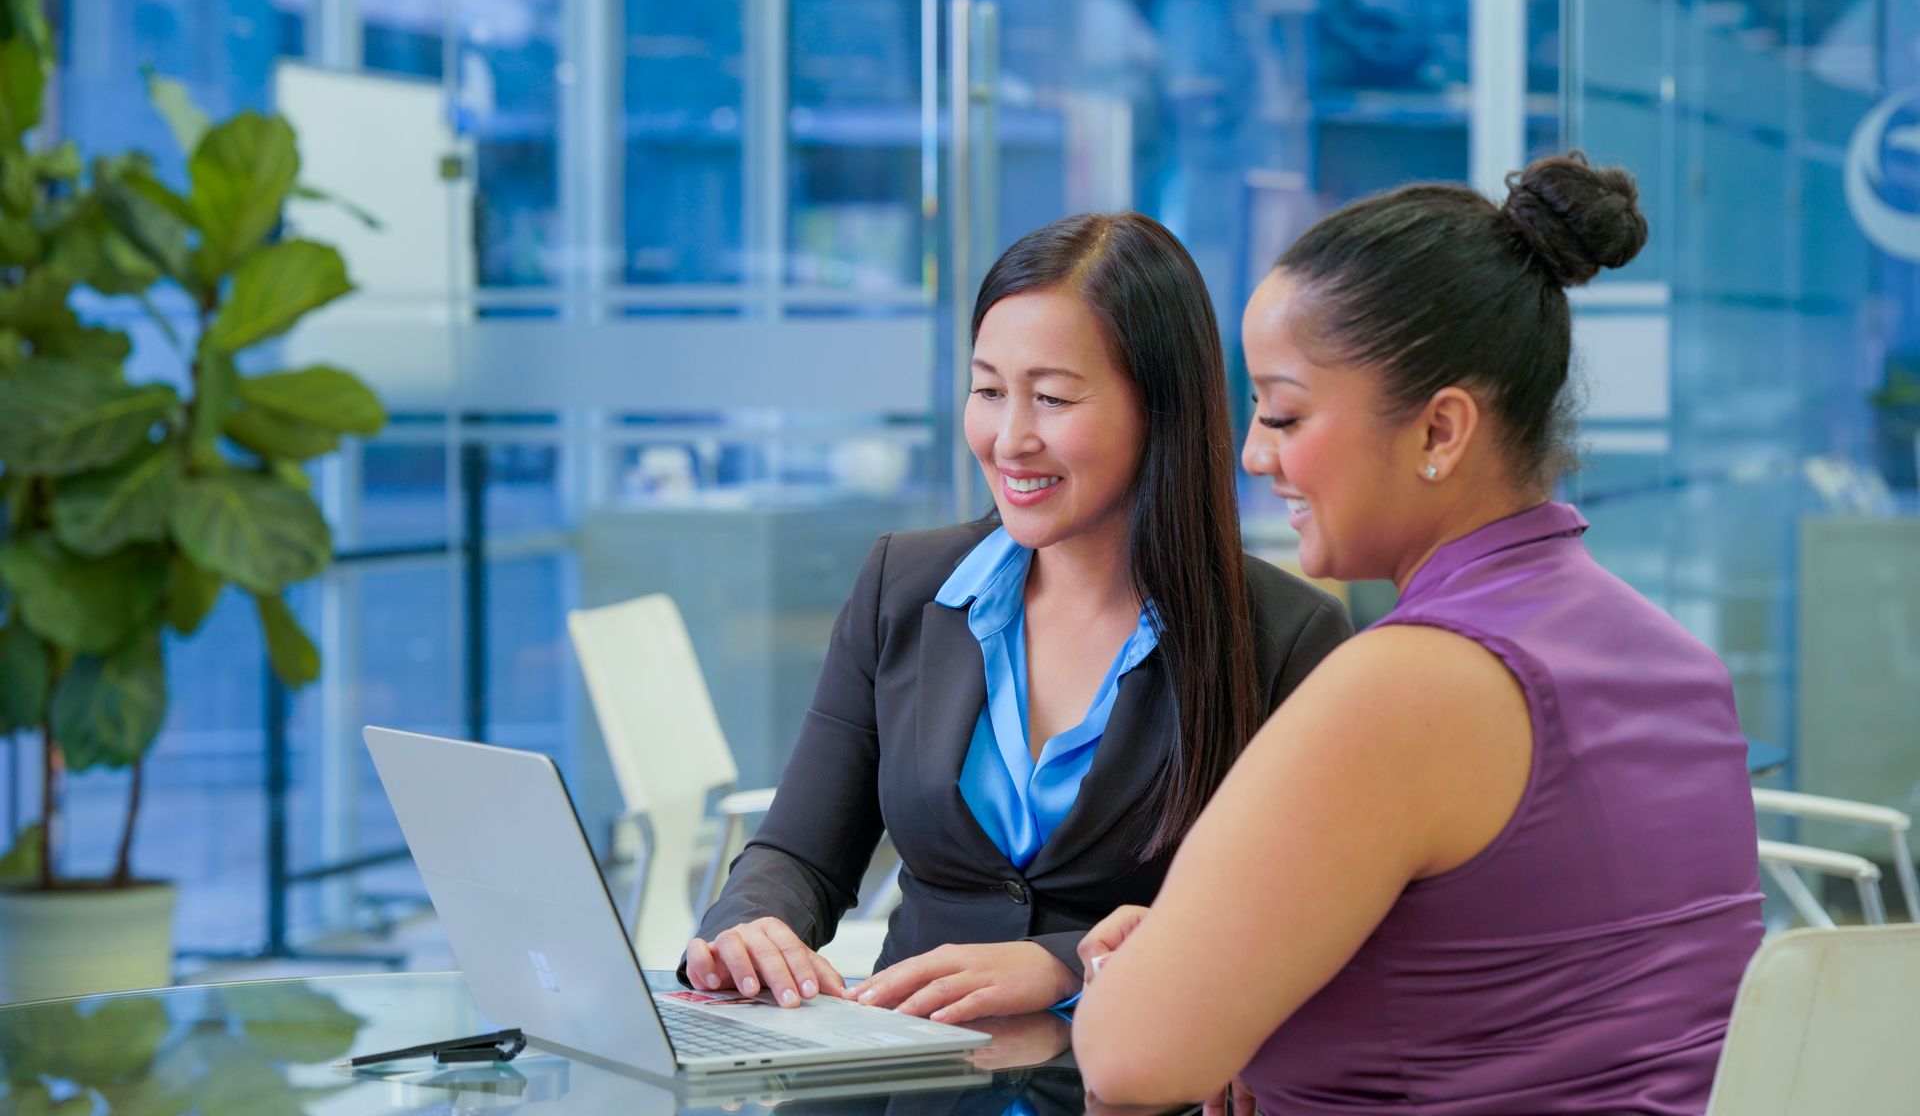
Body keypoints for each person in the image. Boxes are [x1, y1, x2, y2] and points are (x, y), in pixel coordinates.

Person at [1072, 155, 1765, 1114]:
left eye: (1283, 412)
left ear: (1441, 433)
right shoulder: (1677, 663)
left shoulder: (1406, 686)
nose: (1254, 452)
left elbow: (1129, 1061)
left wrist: (1143, 980)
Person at [682, 212, 1352, 1022]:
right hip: (914, 1080)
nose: (1009, 439)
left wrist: (1068, 964)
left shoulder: (1286, 637)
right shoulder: (905, 585)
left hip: (1131, 1080)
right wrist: (751, 924)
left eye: (1052, 398)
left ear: (1161, 409)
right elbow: (799, 851)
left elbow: (1294, 920)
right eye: (989, 391)